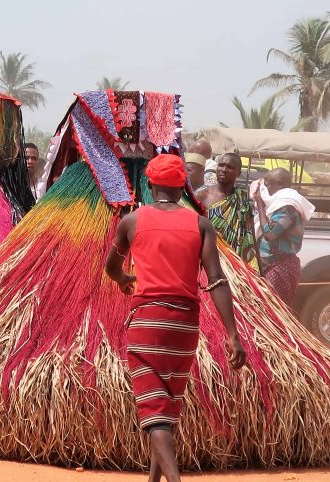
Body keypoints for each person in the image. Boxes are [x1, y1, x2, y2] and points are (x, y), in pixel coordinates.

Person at [105, 154, 246, 482]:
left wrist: (124, 279)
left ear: (151, 184)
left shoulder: (132, 221)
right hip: (184, 325)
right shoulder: (200, 223)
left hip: (148, 322)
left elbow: (112, 266)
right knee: (166, 408)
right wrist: (232, 334)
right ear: (182, 184)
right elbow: (216, 279)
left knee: (155, 414)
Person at [252, 168, 311, 307]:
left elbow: (269, 234)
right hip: (270, 265)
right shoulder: (276, 207)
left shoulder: (287, 207)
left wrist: (260, 204)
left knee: (273, 310)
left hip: (279, 267)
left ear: (279, 184)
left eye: (268, 185)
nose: (265, 189)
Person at [196, 153, 258, 272]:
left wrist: (258, 270)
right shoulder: (201, 196)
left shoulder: (243, 199)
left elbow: (250, 237)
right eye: (221, 165)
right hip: (207, 261)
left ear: (238, 173)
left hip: (235, 265)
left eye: (230, 167)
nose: (224, 170)